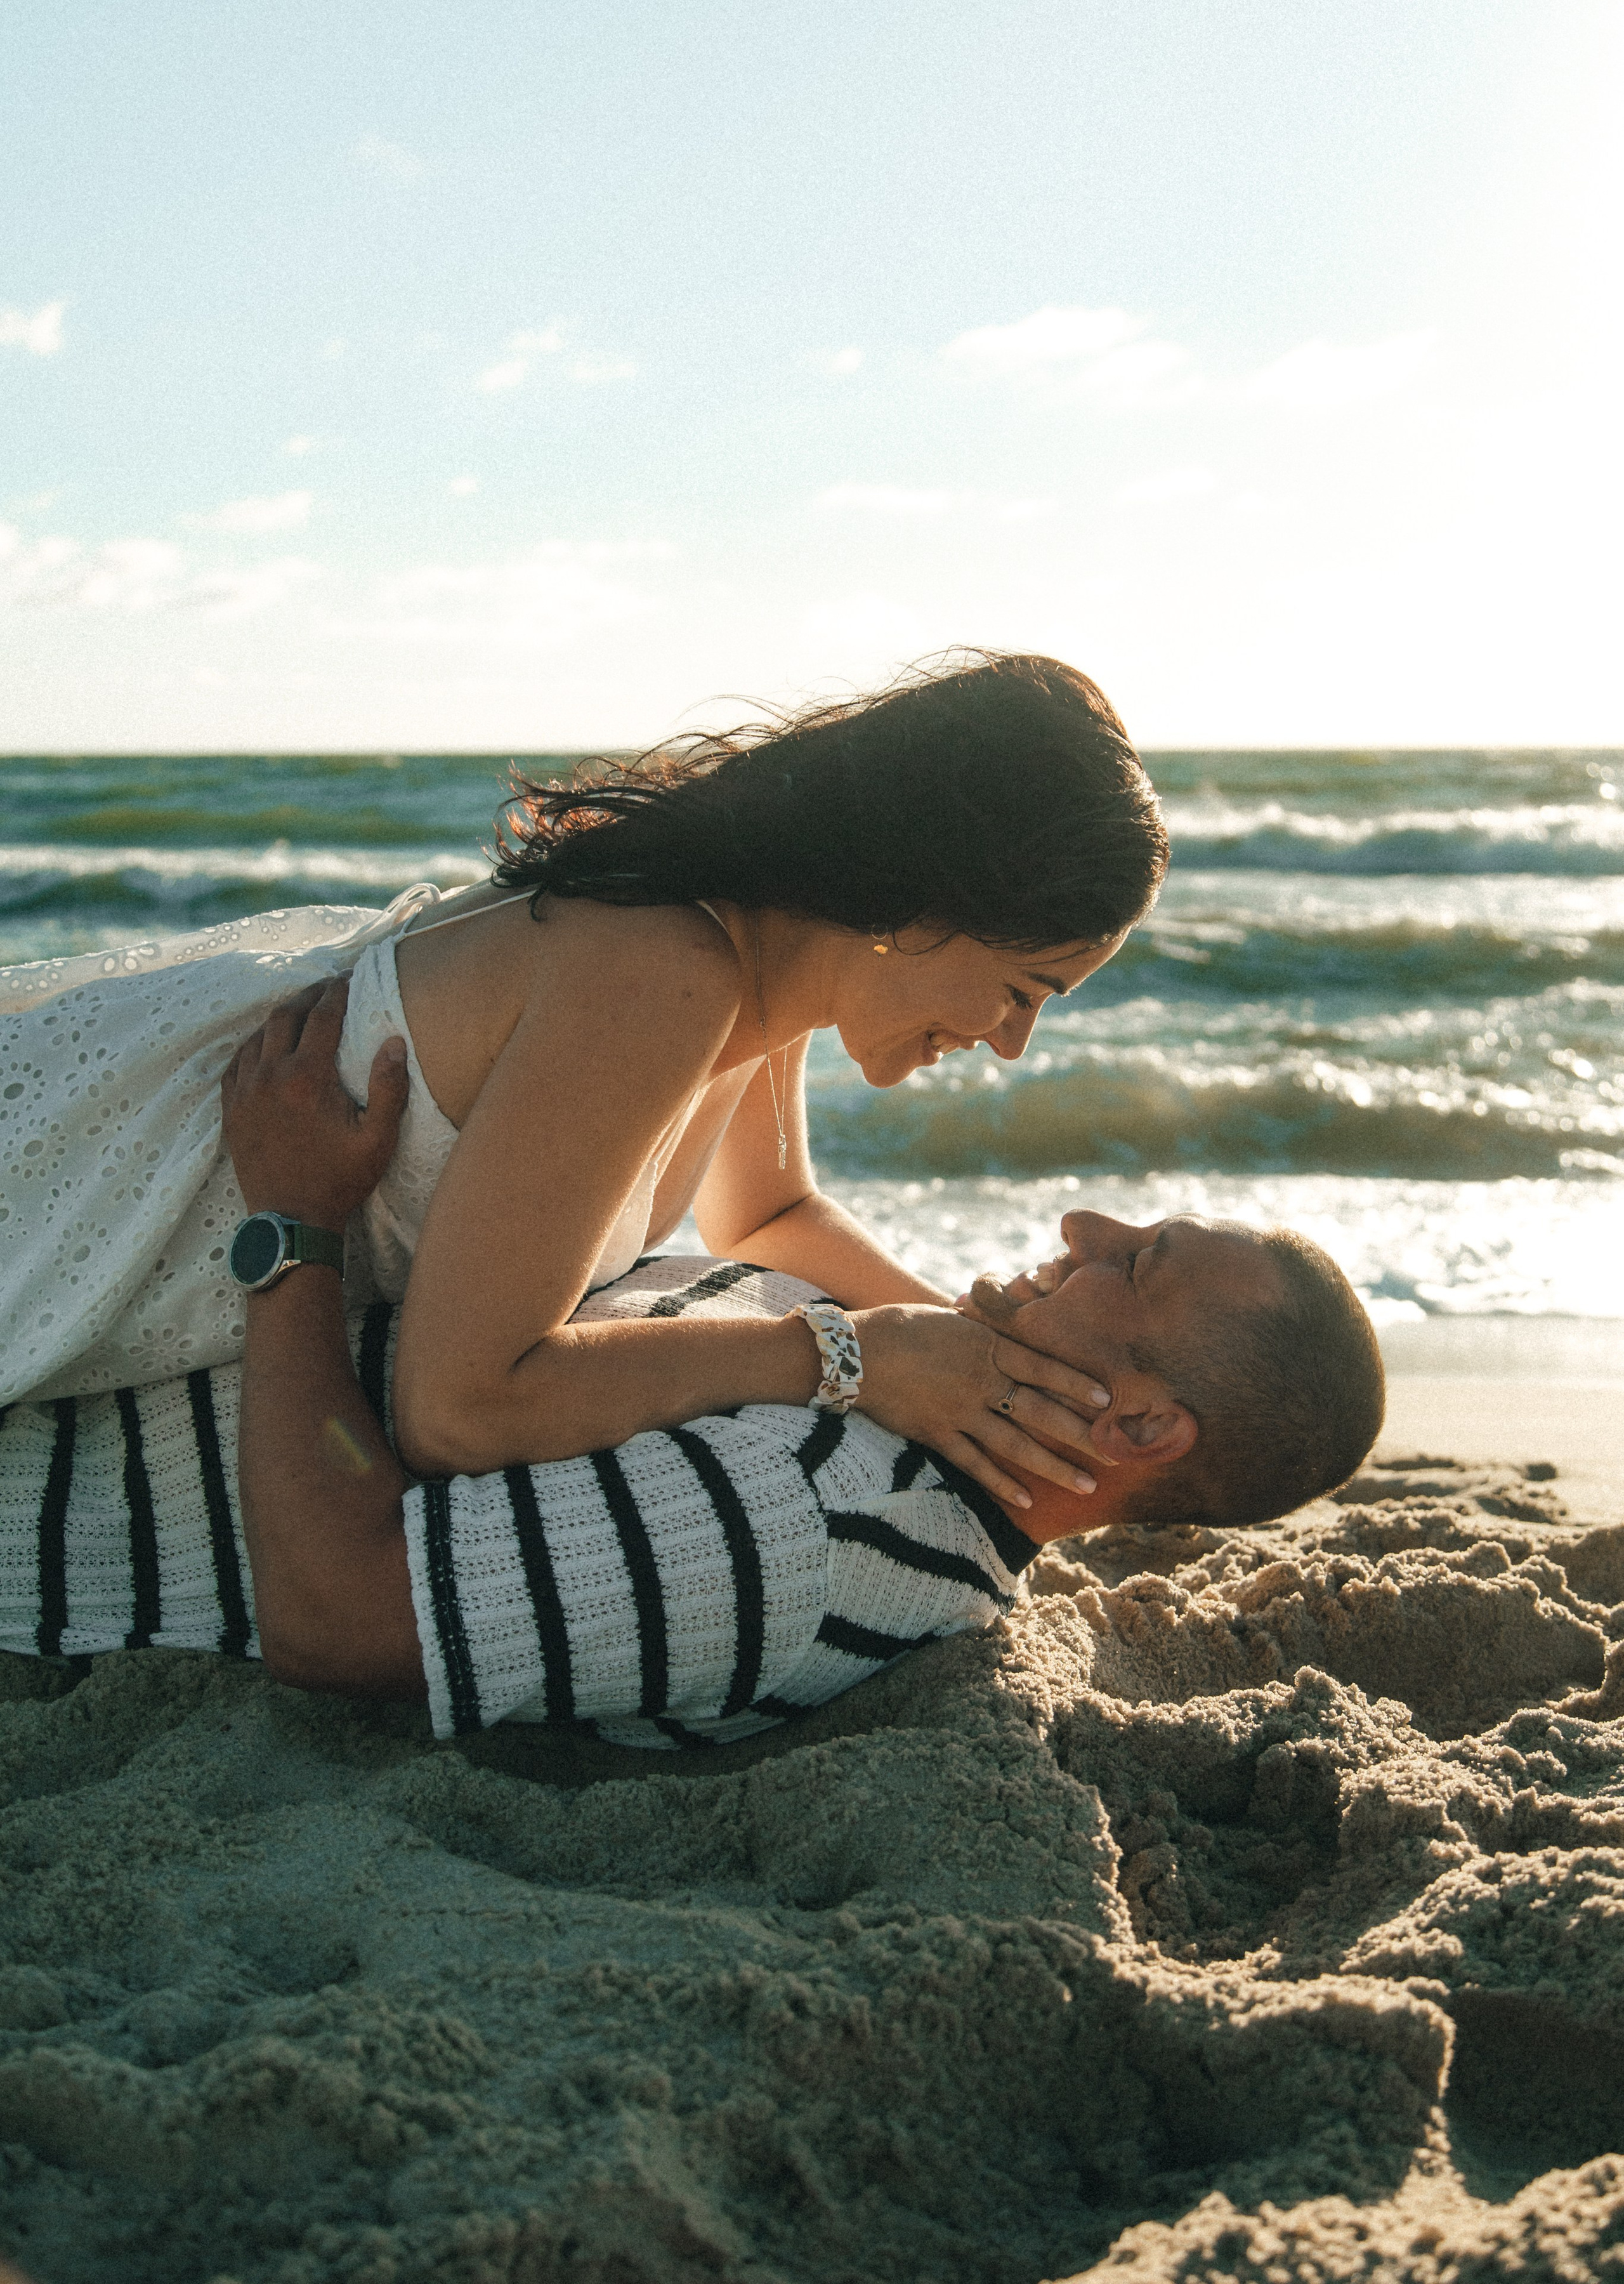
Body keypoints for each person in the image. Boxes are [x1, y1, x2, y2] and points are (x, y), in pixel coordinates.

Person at [0, 985, 1385, 1747]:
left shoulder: (831, 1526)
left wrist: (289, 1231)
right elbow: (770, 1208)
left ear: (1139, 1424)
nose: (1082, 1225)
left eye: (1131, 1259)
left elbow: (341, 1615)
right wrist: (768, 971)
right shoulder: (917, 1393)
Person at [0, 652, 1168, 1514]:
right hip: (57, 1188)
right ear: (929, 900)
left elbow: (768, 1215)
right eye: (1027, 989)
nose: (1012, 1043)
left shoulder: (759, 975)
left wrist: (992, 1366)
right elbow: (458, 1408)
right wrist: (851, 1359)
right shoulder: (664, 969)